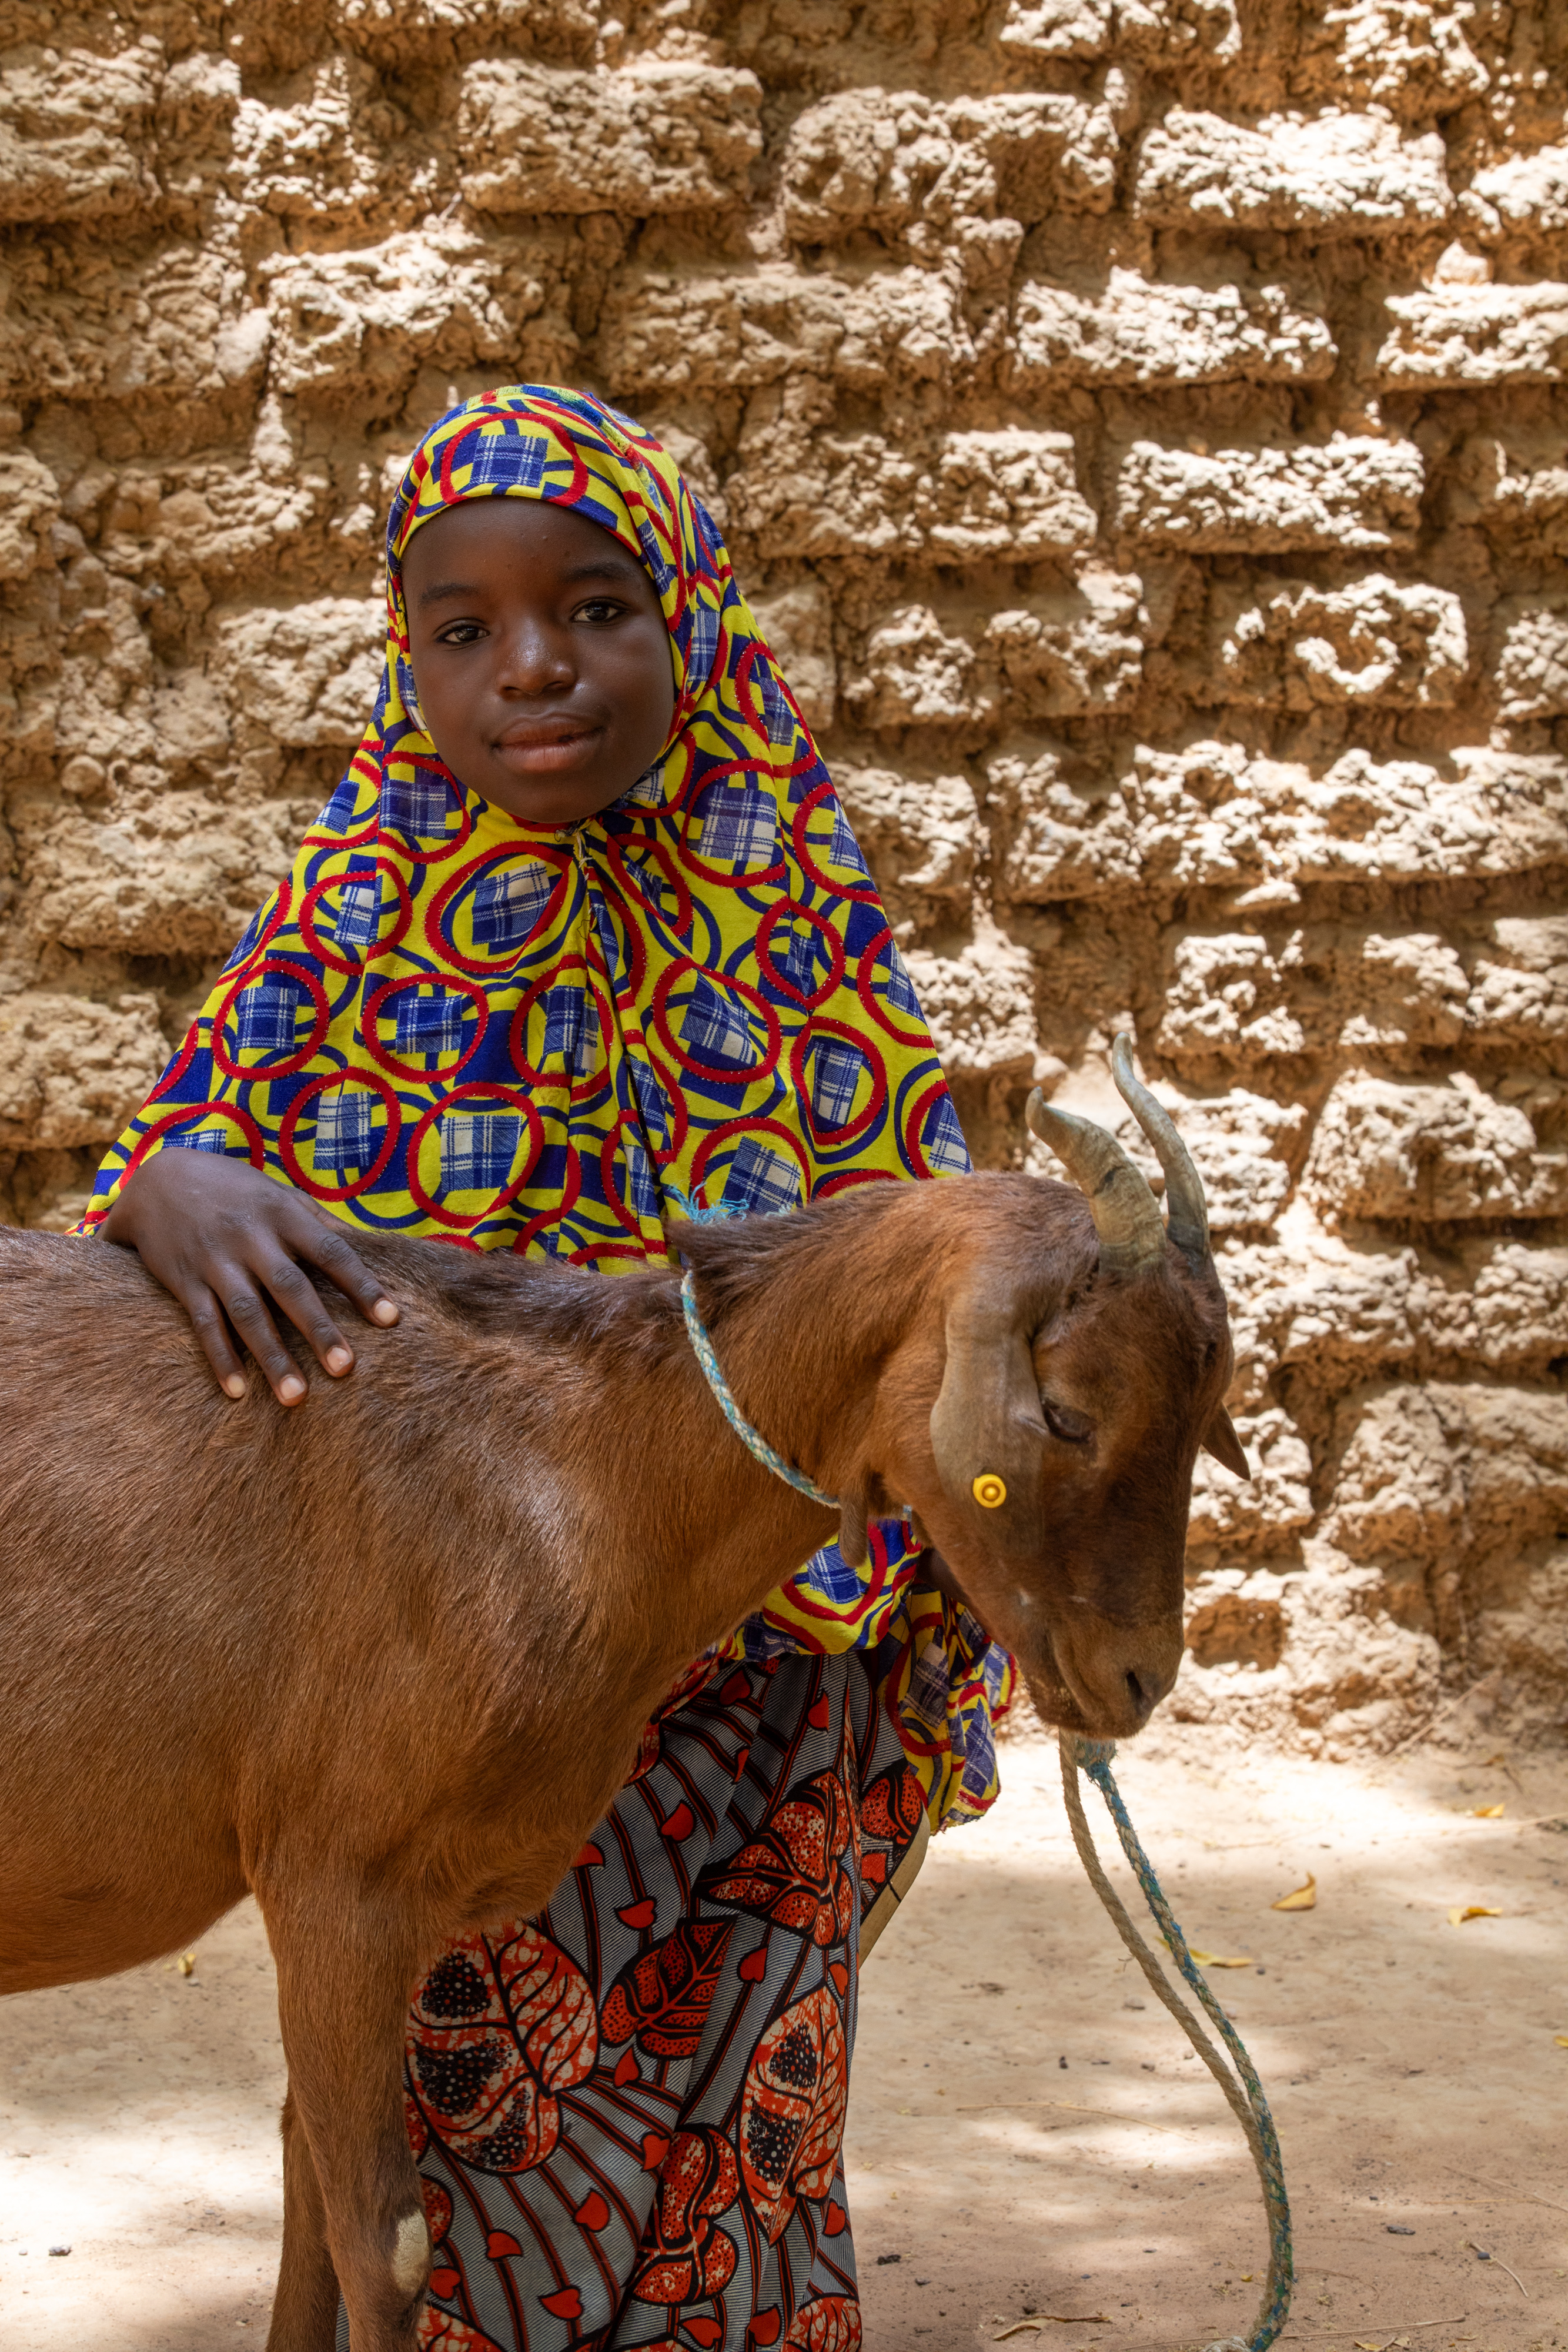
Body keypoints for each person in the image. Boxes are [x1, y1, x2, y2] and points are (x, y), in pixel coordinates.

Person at [82, 385, 1013, 2352]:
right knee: (467, 2152)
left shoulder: (798, 936)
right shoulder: (354, 918)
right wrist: (170, 1180)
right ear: (404, 652)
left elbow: (912, 1306)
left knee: (712, 2156)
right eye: (462, 627)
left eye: (596, 607)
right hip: (438, 1680)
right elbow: (178, 1177)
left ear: (687, 615)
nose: (533, 671)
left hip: (748, 1685)